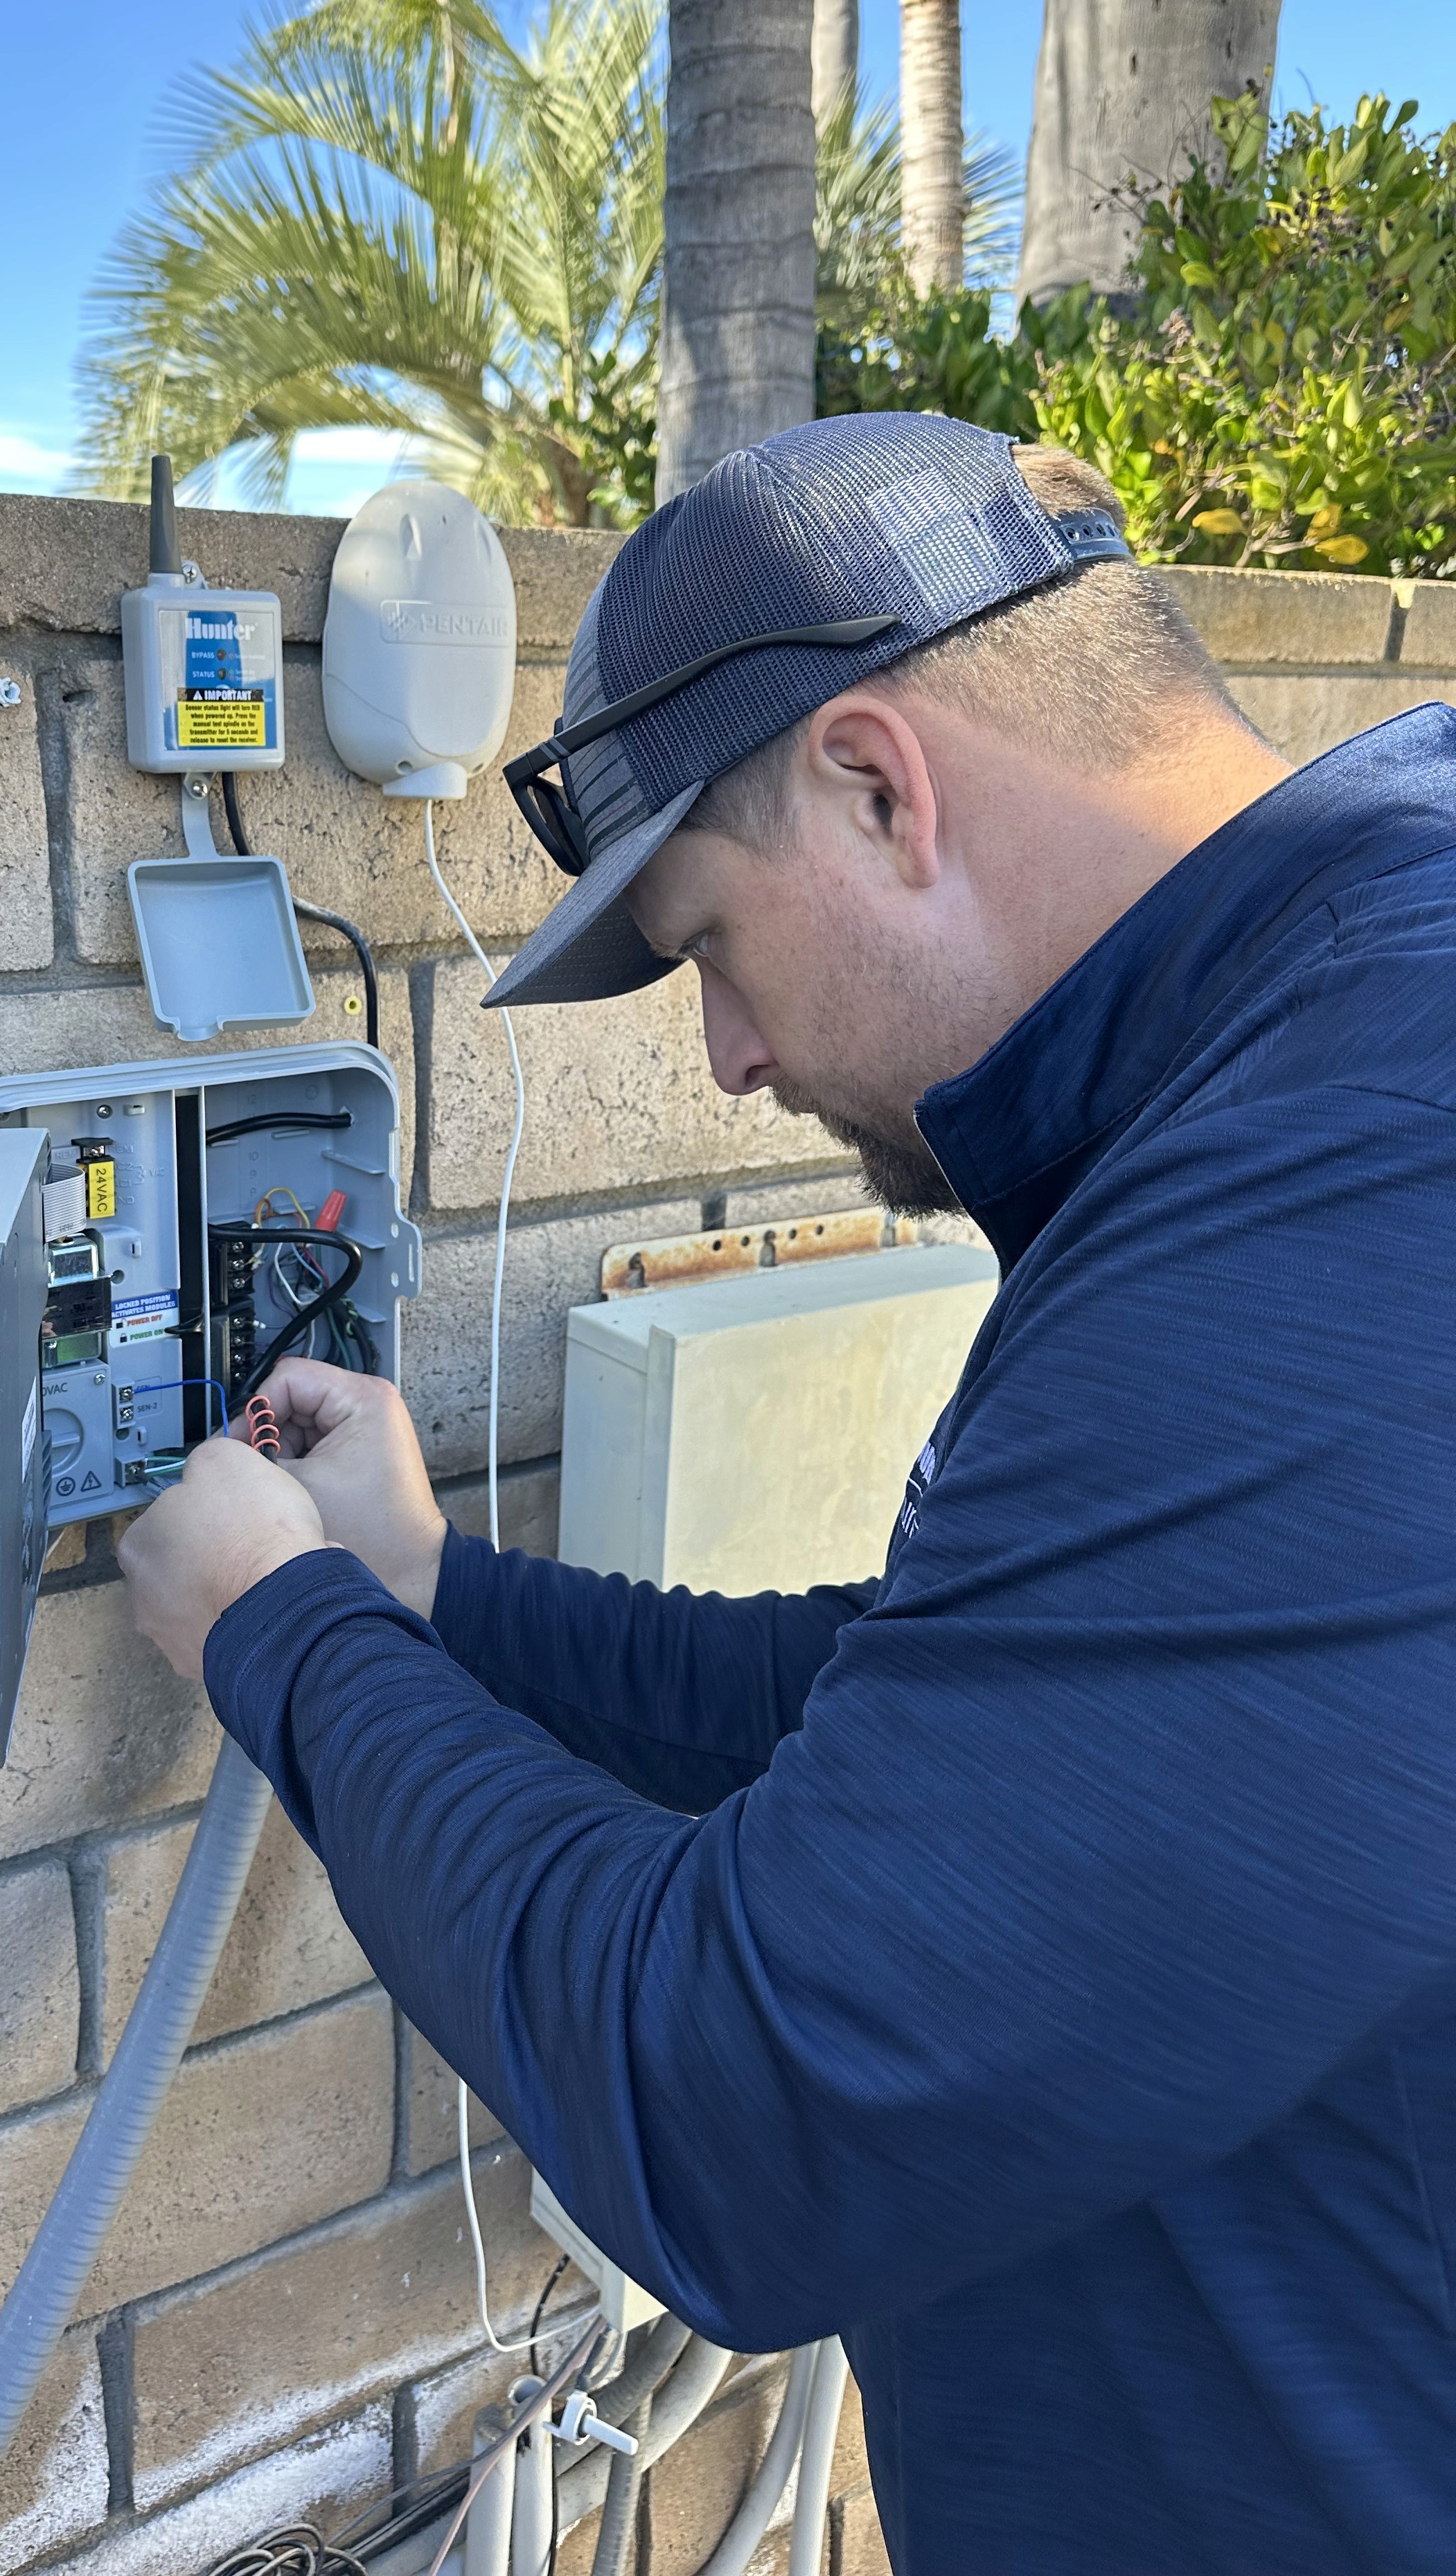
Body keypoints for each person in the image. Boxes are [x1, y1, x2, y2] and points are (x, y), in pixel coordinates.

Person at [117, 415, 1456, 2575]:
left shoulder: (1370, 1137)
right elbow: (980, 1717)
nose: (731, 1057)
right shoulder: (1304, 1054)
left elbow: (748, 2114)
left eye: (714, 945)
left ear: (874, 783)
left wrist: (284, 1644)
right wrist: (439, 1598)